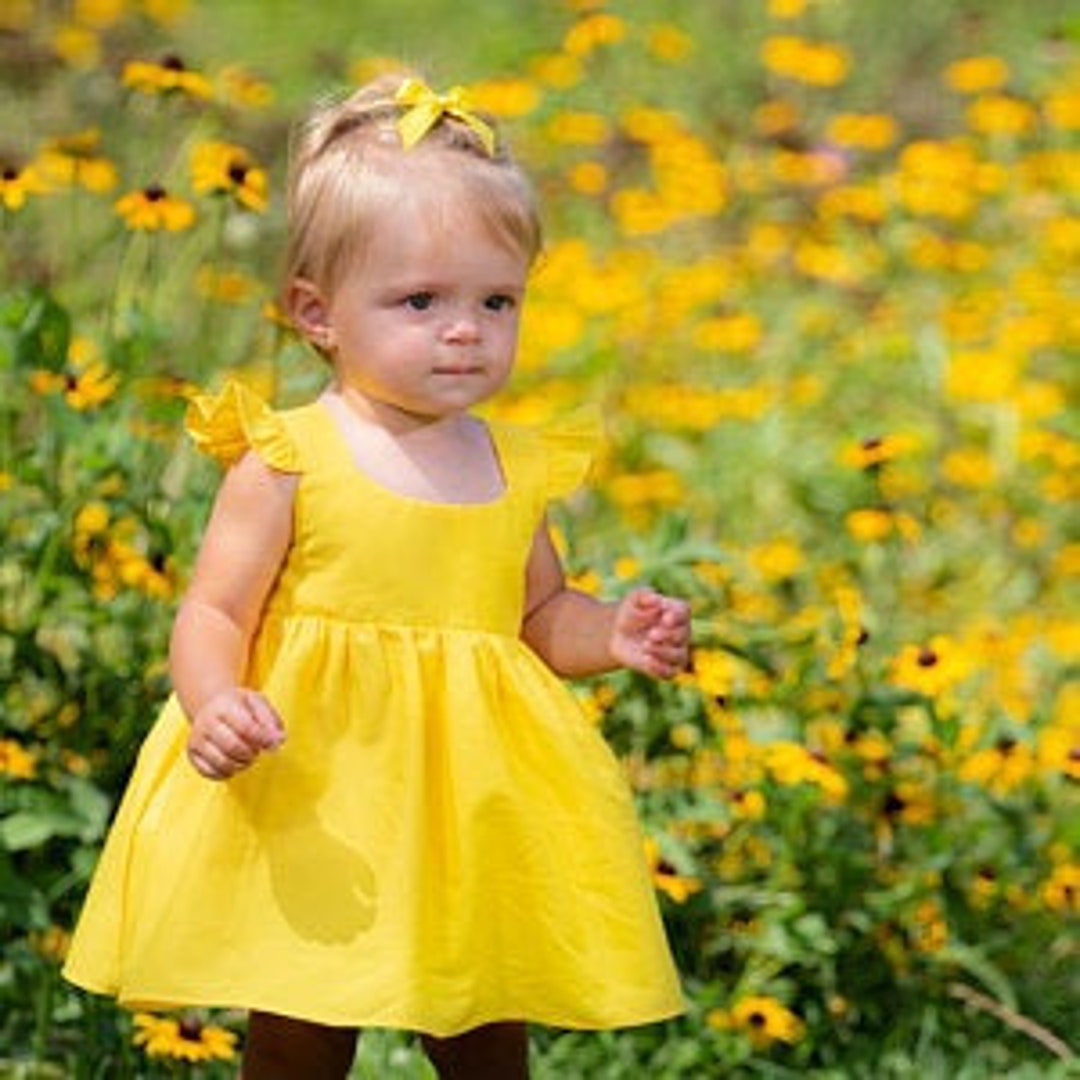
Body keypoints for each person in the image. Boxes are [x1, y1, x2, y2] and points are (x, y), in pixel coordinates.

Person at [62, 72, 692, 1079]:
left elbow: (535, 615)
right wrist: (214, 698)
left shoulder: (507, 464)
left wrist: (610, 632)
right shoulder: (289, 457)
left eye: (497, 301)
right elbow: (215, 609)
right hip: (317, 785)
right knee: (303, 1019)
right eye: (421, 301)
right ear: (318, 313)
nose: (465, 329)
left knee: (482, 1009)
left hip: (465, 800)